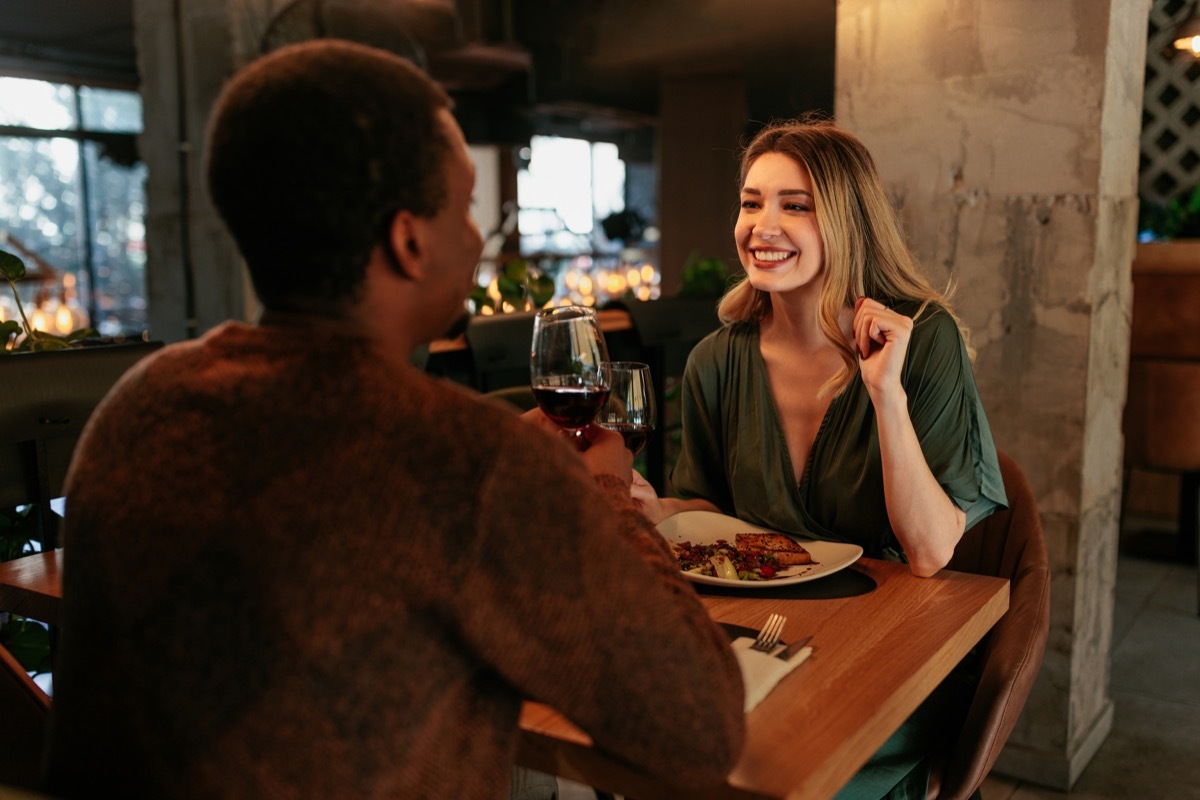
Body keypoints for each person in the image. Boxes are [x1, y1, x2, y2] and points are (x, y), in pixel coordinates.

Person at [44, 40, 744, 799]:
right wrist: (603, 497)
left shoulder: (139, 406)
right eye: (464, 205)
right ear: (409, 241)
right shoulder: (465, 460)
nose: (477, 237)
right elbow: (700, 726)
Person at [632, 115, 1008, 799]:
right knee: (666, 748)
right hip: (766, 642)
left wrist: (885, 394)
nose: (762, 226)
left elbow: (929, 553)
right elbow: (709, 509)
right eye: (751, 202)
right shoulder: (716, 360)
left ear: (848, 222)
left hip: (893, 659)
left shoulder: (923, 340)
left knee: (776, 775)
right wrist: (656, 508)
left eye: (795, 206)